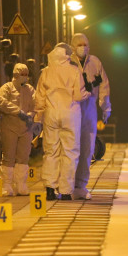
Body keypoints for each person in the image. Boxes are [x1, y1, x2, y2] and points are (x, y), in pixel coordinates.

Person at [35, 43, 89, 200]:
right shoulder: (74, 71)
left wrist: (39, 116)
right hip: (70, 114)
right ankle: (65, 191)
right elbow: (78, 96)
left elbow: (39, 99)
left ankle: (50, 189)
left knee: (51, 151)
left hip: (51, 114)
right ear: (67, 55)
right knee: (70, 152)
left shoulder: (45, 72)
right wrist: (87, 94)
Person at [69, 33, 111, 201]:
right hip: (70, 109)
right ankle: (66, 185)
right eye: (79, 44)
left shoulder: (95, 62)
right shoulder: (67, 63)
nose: (83, 47)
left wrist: (106, 107)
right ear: (72, 46)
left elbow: (104, 85)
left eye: (85, 44)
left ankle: (80, 186)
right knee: (70, 149)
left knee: (87, 148)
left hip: (89, 109)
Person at [0, 62, 37, 196]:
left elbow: (36, 103)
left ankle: (21, 185)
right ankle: (6, 184)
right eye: (22, 74)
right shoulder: (7, 88)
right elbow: (0, 101)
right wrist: (18, 112)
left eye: (26, 74)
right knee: (8, 156)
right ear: (15, 75)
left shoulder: (30, 89)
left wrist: (31, 115)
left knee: (23, 157)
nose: (25, 77)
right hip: (10, 127)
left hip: (26, 128)